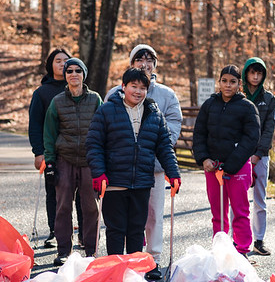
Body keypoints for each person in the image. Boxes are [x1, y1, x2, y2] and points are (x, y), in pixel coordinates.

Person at [105, 44, 182, 280]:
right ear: (131, 64)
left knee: (152, 215)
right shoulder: (114, 94)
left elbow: (173, 126)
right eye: (140, 59)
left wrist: (156, 151)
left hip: (155, 168)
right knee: (123, 218)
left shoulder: (167, 95)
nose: (145, 63)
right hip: (122, 169)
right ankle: (121, 261)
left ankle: (153, 259)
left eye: (150, 59)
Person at [87, 67, 182, 257]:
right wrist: (98, 173)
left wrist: (173, 173)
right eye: (133, 86)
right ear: (123, 86)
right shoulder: (107, 110)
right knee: (115, 230)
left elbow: (164, 147)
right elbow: (94, 144)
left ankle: (134, 273)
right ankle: (115, 272)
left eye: (142, 88)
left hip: (142, 182)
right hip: (114, 181)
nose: (138, 91)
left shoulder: (154, 113)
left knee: (136, 230)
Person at [192, 65, 260, 256]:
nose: (228, 85)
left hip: (237, 168)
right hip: (212, 167)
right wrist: (203, 158)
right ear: (219, 82)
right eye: (224, 81)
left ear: (239, 84)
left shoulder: (247, 107)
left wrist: (231, 165)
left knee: (240, 211)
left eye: (232, 82)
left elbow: (251, 138)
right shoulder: (209, 105)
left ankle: (242, 250)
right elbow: (199, 134)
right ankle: (220, 249)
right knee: (218, 213)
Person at [42, 58, 102, 265]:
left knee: (90, 207)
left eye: (78, 70)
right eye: (69, 71)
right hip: (64, 158)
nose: (73, 74)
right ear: (65, 75)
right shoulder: (57, 101)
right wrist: (49, 162)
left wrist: (102, 161)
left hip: (89, 160)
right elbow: (49, 133)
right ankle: (63, 251)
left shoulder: (95, 100)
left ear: (84, 74)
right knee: (63, 206)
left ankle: (91, 250)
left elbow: (103, 131)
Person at [28, 48, 84, 248]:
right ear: (50, 65)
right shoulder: (42, 93)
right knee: (55, 193)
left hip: (80, 152)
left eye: (66, 61)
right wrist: (39, 152)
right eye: (58, 61)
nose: (62, 64)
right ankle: (55, 231)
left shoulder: (82, 90)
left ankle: (82, 233)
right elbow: (35, 124)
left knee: (82, 195)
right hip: (53, 152)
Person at [242, 57, 275, 256]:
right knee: (238, 200)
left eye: (259, 73)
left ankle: (259, 239)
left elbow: (269, 129)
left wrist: (258, 154)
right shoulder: (238, 96)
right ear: (246, 74)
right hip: (238, 157)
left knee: (259, 199)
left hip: (261, 156)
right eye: (252, 73)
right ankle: (238, 239)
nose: (255, 77)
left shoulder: (270, 99)